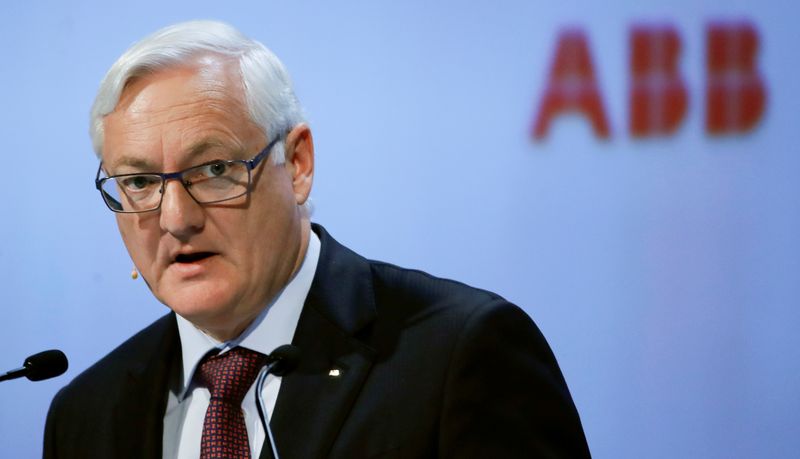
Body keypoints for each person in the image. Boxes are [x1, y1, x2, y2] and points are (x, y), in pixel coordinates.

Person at [44, 20, 591, 459]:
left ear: (298, 163)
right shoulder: (87, 413)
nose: (175, 218)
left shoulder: (458, 354)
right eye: (140, 183)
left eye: (213, 169)